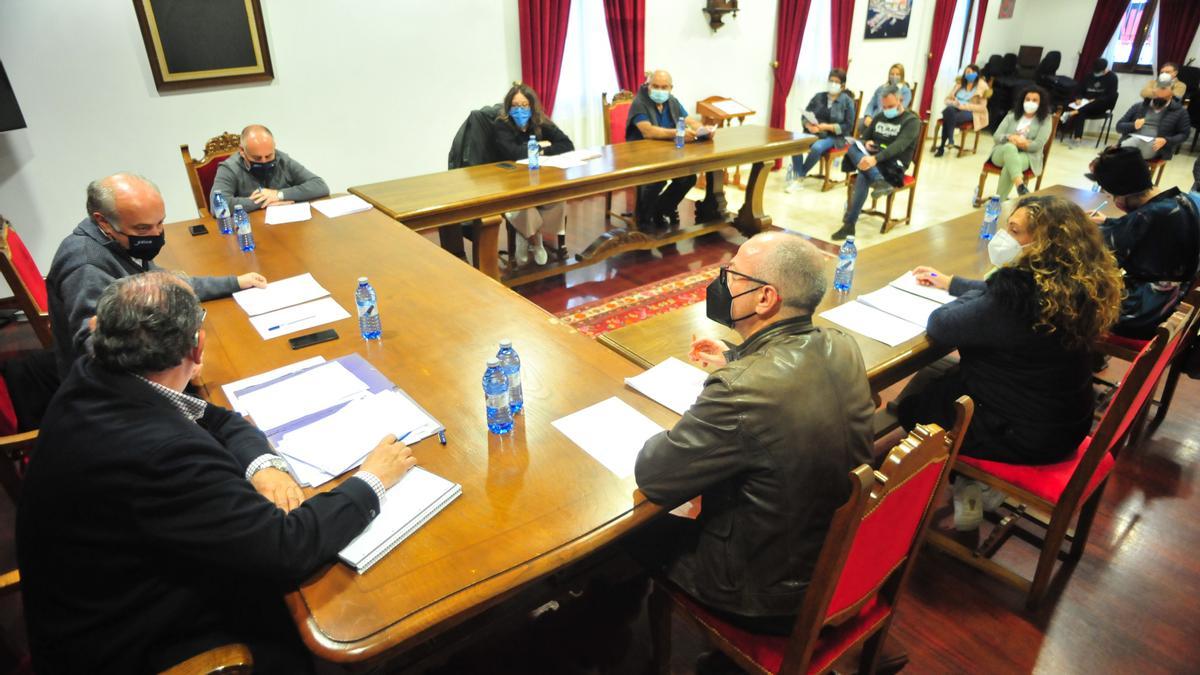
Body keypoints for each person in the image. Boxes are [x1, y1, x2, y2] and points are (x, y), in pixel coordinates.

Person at [17, 271, 418, 673]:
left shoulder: (97, 377)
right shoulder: (163, 453)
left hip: (104, 589)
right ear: (197, 347)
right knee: (336, 617)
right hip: (134, 643)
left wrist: (264, 465)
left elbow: (219, 420)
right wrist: (372, 481)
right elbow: (286, 549)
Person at [631, 232, 874, 637]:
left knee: (637, 528)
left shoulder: (741, 389)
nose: (720, 281)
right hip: (832, 561)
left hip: (760, 592)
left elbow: (655, 474)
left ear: (765, 298)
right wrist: (734, 356)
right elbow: (788, 370)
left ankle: (605, 625)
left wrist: (733, 377)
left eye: (731, 273)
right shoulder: (843, 345)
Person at [900, 195, 1123, 529]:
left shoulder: (1016, 299)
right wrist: (953, 283)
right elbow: (993, 296)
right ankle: (972, 484)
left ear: (1041, 244)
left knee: (915, 407)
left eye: (1014, 230)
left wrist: (979, 291)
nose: (1004, 236)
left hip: (1024, 436)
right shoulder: (1073, 287)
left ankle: (964, 488)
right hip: (1065, 422)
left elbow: (942, 324)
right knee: (941, 376)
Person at [46, 173, 267, 377]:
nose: (156, 235)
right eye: (143, 229)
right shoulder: (86, 266)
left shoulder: (119, 241)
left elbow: (164, 284)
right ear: (103, 221)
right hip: (113, 386)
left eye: (160, 223)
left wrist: (234, 282)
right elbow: (95, 346)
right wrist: (174, 365)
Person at [1086, 146, 1200, 338]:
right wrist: (1109, 221)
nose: (1114, 201)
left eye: (1113, 195)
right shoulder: (1183, 200)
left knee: (1066, 300)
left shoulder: (1145, 218)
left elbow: (1102, 250)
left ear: (1122, 194)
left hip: (1148, 310)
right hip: (1178, 301)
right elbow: (1145, 230)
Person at [492, 83, 574, 266]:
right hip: (512, 183)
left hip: (539, 180)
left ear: (531, 106)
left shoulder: (539, 121)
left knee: (558, 199)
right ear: (508, 107)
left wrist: (542, 151)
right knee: (526, 205)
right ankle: (535, 241)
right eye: (515, 106)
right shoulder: (501, 124)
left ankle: (526, 235)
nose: (520, 110)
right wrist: (541, 146)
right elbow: (512, 153)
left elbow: (567, 144)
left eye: (524, 105)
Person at [625, 70, 711, 230]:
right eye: (655, 86)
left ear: (671, 88)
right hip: (642, 154)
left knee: (688, 177)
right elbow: (647, 131)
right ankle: (643, 218)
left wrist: (702, 129)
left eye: (664, 87)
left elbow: (689, 120)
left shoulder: (672, 101)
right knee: (658, 179)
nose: (660, 90)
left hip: (668, 152)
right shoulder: (639, 102)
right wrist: (677, 133)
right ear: (647, 85)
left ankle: (660, 209)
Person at [832, 85, 921, 241]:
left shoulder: (911, 121)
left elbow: (898, 146)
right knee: (853, 147)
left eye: (891, 106)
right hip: (875, 160)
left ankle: (849, 224)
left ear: (900, 100)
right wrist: (866, 143)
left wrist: (875, 159)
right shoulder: (880, 116)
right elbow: (864, 136)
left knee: (863, 175)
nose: (887, 110)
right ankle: (879, 181)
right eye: (884, 106)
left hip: (894, 164)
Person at [209, 124, 329, 212]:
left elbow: (319, 186)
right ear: (242, 151)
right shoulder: (229, 168)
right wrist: (265, 201)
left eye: (268, 156)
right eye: (257, 158)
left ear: (274, 147)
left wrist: (278, 195)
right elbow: (217, 206)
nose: (264, 161)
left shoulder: (281, 159)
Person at [784, 69, 856, 192]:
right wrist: (808, 125)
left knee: (817, 148)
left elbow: (848, 126)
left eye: (836, 82)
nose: (832, 84)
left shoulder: (847, 101)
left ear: (842, 86)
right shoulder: (819, 96)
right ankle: (799, 176)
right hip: (814, 132)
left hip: (835, 136)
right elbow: (805, 115)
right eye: (830, 81)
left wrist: (827, 127)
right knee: (795, 145)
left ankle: (799, 177)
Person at [986, 85, 1053, 199]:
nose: (1030, 102)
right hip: (1001, 153)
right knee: (1009, 148)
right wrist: (1010, 137)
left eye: (1034, 100)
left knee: (1010, 166)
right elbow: (997, 136)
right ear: (1023, 100)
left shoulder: (1045, 119)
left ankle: (998, 201)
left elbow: (1038, 145)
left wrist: (1021, 143)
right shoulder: (1011, 115)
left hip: (1028, 156)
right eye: (1028, 99)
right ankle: (1020, 185)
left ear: (1041, 103)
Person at [1115, 83, 1192, 161]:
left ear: (1171, 96)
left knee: (1129, 157)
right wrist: (1133, 125)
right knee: (1125, 150)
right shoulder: (1138, 106)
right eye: (1157, 96)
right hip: (1133, 139)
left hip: (1156, 144)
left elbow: (1184, 134)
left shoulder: (1180, 112)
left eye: (1164, 97)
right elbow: (1119, 127)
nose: (1159, 99)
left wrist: (1166, 140)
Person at [1060, 57, 1119, 147]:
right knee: (1080, 111)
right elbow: (1080, 90)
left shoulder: (1112, 78)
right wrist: (1078, 98)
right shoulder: (1089, 76)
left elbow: (1111, 96)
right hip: (1084, 104)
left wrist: (1094, 100)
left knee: (1095, 103)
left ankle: (1072, 113)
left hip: (1101, 105)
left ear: (1104, 70)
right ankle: (1077, 139)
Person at [933, 63, 990, 157]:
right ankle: (950, 140)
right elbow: (947, 100)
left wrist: (963, 106)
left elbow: (982, 107)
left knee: (948, 115)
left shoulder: (982, 86)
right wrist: (954, 103)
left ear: (976, 73)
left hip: (971, 112)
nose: (967, 74)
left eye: (969, 72)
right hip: (955, 108)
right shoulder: (960, 84)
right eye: (965, 72)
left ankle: (942, 146)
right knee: (949, 111)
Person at [861, 63, 914, 129]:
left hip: (890, 120)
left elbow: (900, 109)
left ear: (902, 76)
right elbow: (871, 104)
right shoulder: (881, 88)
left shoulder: (905, 91)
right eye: (892, 74)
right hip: (874, 117)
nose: (894, 76)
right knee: (860, 123)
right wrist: (868, 116)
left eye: (897, 74)